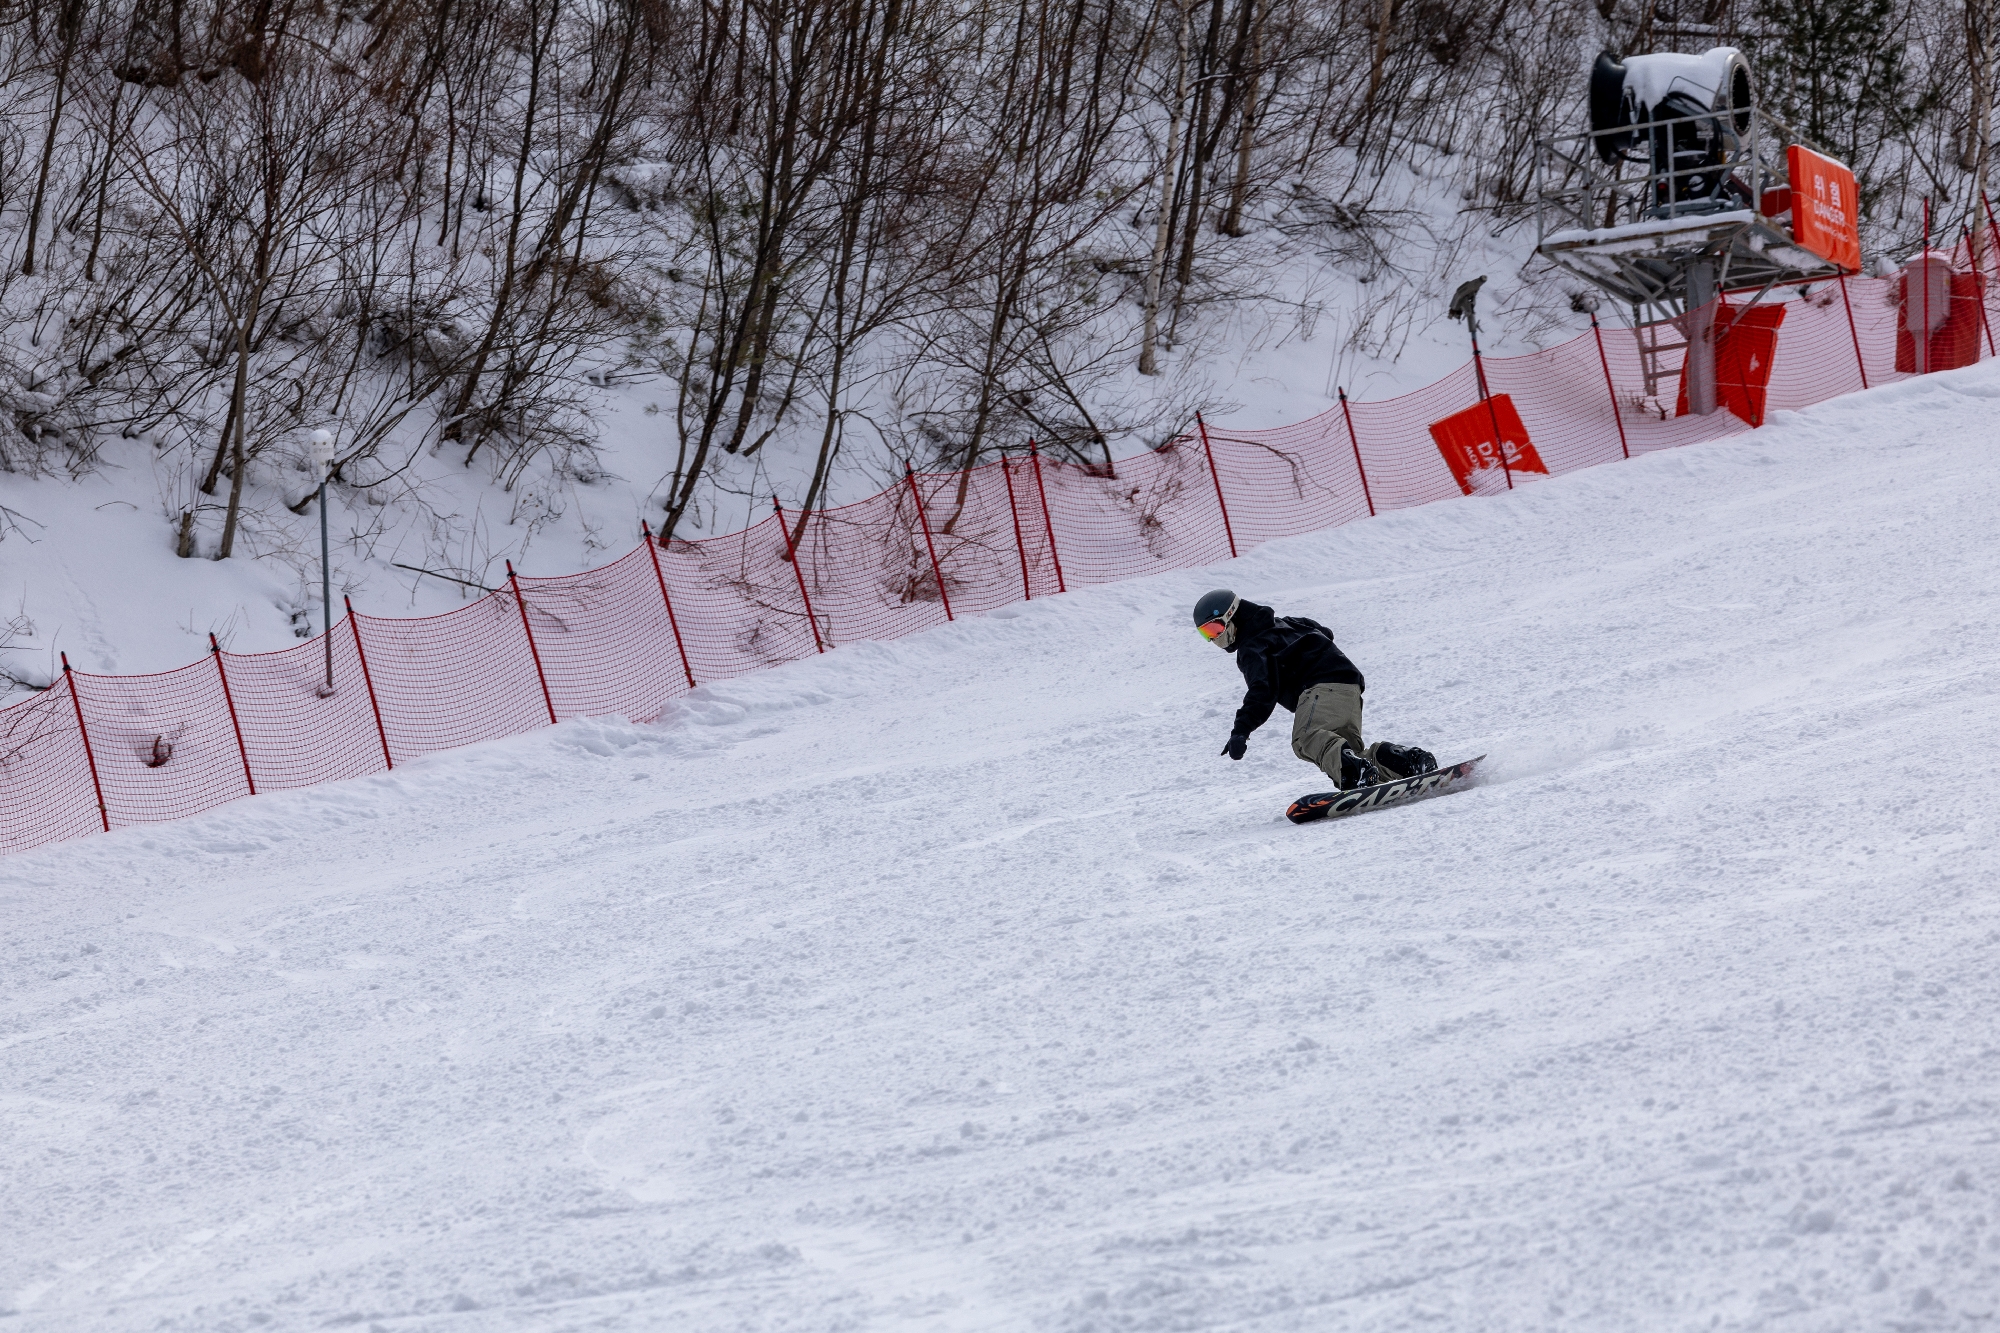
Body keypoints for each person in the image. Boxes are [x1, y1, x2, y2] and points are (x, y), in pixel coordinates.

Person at [1193, 589, 1436, 790]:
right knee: (1348, 754)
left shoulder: (1252, 647)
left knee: (1305, 738)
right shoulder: (1287, 623)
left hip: (1320, 688)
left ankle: (1357, 774)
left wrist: (1241, 731)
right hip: (1349, 686)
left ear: (1232, 615)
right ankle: (1409, 762)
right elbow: (1324, 631)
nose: (1214, 639)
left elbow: (1262, 691)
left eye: (1215, 629)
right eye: (1206, 635)